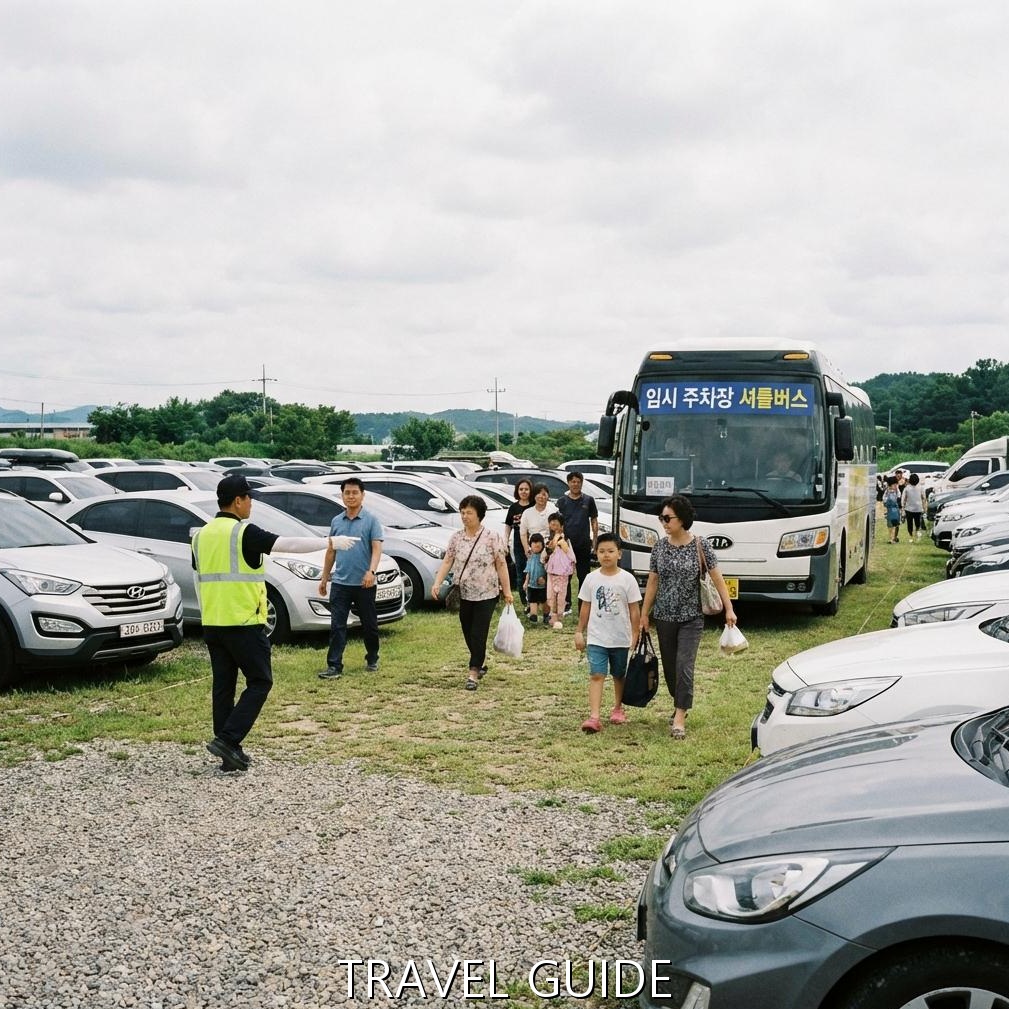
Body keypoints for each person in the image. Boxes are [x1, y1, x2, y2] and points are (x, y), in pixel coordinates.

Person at [192, 474, 357, 771]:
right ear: (238, 501)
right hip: (243, 622)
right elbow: (286, 544)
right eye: (249, 498)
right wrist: (331, 541)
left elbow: (198, 577)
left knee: (224, 686)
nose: (252, 503)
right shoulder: (242, 532)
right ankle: (228, 739)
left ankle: (229, 751)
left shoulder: (201, 535)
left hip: (213, 622)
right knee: (260, 681)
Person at [640, 494, 736, 740]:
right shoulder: (659, 547)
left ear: (682, 519)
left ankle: (680, 716)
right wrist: (644, 614)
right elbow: (652, 581)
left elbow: (717, 578)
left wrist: (729, 609)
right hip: (664, 616)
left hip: (692, 616)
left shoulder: (701, 545)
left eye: (667, 518)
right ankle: (678, 703)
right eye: (661, 518)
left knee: (684, 665)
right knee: (671, 668)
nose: (663, 522)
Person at [431, 495, 513, 690]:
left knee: (479, 632)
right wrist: (437, 582)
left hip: (487, 593)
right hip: (463, 593)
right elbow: (447, 561)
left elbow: (501, 565)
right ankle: (480, 661)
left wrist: (507, 591)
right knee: (468, 631)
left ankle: (473, 672)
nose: (465, 516)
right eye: (462, 512)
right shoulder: (457, 537)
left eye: (469, 513)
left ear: (479, 515)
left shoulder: (492, 537)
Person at [574, 533, 642, 733]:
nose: (606, 555)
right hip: (597, 637)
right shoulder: (591, 578)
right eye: (601, 551)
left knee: (619, 674)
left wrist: (635, 634)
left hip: (620, 637)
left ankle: (618, 708)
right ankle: (594, 716)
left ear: (619, 554)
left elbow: (634, 609)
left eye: (611, 551)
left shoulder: (627, 579)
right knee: (596, 674)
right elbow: (585, 606)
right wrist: (579, 631)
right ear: (596, 553)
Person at [317, 477, 384, 679]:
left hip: (364, 583)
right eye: (347, 492)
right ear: (342, 495)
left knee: (369, 625)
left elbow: (377, 548)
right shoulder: (336, 521)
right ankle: (334, 666)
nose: (351, 496)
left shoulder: (371, 520)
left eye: (355, 492)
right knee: (337, 626)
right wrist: (324, 577)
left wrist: (371, 571)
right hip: (340, 583)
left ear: (363, 495)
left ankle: (372, 656)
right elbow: (331, 551)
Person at [555, 472, 599, 612]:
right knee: (565, 575)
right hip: (565, 544)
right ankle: (566, 604)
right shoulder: (562, 501)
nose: (575, 484)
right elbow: (557, 523)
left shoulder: (588, 500)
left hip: (583, 543)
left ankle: (583, 604)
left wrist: (595, 541)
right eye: (572, 481)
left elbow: (594, 520)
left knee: (583, 576)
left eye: (578, 481)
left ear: (581, 482)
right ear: (568, 483)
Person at [504, 478, 534, 608]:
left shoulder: (534, 505)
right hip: (518, 543)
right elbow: (508, 526)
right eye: (521, 489)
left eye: (526, 489)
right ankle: (525, 602)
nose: (524, 491)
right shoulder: (513, 507)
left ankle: (536, 600)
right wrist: (505, 541)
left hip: (533, 542)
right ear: (517, 491)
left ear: (530, 490)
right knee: (521, 573)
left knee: (534, 572)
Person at [545, 511, 576, 630]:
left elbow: (572, 556)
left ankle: (559, 616)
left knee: (561, 596)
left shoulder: (565, 541)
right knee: (550, 595)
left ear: (562, 526)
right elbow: (545, 556)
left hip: (563, 573)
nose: (554, 527)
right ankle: (552, 616)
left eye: (556, 524)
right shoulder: (548, 540)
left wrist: (564, 547)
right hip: (551, 572)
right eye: (551, 524)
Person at [519, 484, 553, 559]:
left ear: (548, 496)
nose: (541, 497)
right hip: (533, 551)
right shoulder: (527, 513)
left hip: (550, 551)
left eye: (544, 494)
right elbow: (523, 534)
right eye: (538, 494)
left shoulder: (553, 512)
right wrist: (526, 549)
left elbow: (558, 531)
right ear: (534, 496)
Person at [523, 532, 548, 623]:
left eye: (538, 543)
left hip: (542, 585)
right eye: (534, 543)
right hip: (532, 584)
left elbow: (548, 570)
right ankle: (534, 615)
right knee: (532, 600)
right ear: (530, 545)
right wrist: (526, 581)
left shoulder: (545, 557)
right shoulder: (530, 557)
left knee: (544, 600)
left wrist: (544, 578)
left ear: (542, 544)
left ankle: (546, 615)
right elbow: (528, 570)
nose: (536, 545)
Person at [902, 472, 926, 541]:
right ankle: (917, 534)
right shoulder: (921, 487)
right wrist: (924, 508)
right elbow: (924, 498)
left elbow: (903, 498)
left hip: (909, 509)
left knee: (909, 524)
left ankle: (911, 536)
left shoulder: (907, 488)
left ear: (910, 480)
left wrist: (903, 507)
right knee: (918, 523)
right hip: (918, 509)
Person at [882, 475, 902, 544]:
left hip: (895, 510)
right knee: (891, 525)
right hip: (890, 510)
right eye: (895, 484)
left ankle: (894, 537)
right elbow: (884, 499)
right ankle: (892, 538)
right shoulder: (887, 491)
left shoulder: (896, 491)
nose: (896, 486)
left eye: (896, 484)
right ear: (891, 485)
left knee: (895, 525)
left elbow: (899, 497)